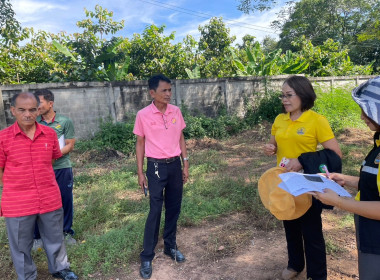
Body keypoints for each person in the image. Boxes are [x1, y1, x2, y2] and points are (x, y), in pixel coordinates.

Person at [263, 75, 342, 280]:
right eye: (282, 95)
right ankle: (295, 264)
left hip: (308, 184)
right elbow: (274, 144)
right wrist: (271, 148)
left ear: (303, 95)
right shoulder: (279, 119)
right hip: (284, 181)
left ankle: (317, 275)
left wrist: (302, 160)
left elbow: (335, 154)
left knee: (311, 231)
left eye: (289, 95)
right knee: (290, 224)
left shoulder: (316, 120)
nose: (284, 99)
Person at [0, 92, 78, 280]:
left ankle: (60, 268)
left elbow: (51, 159)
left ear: (38, 110)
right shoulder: (3, 138)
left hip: (49, 195)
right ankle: (27, 275)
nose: (27, 114)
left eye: (32, 109)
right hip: (17, 200)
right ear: (13, 111)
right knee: (20, 243)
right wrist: (14, 186)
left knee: (55, 235)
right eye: (22, 110)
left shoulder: (49, 134)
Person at [313, 75, 380, 280]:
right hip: (370, 231)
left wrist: (339, 201)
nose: (362, 117)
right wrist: (346, 180)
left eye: (366, 110)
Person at [133, 74, 189, 279]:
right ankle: (147, 255)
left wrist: (186, 163)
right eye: (164, 90)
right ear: (152, 93)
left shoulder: (176, 111)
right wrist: (140, 172)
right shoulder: (143, 115)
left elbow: (181, 137)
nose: (168, 94)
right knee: (155, 209)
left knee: (174, 207)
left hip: (174, 164)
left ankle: (170, 246)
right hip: (155, 167)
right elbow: (140, 144)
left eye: (169, 90)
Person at [32, 89, 76, 249]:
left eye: (39, 102)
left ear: (50, 103)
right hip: (40, 170)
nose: (36, 106)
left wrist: (52, 155)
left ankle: (66, 232)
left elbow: (70, 144)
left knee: (65, 200)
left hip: (62, 168)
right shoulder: (34, 122)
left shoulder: (65, 121)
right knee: (38, 202)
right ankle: (37, 237)